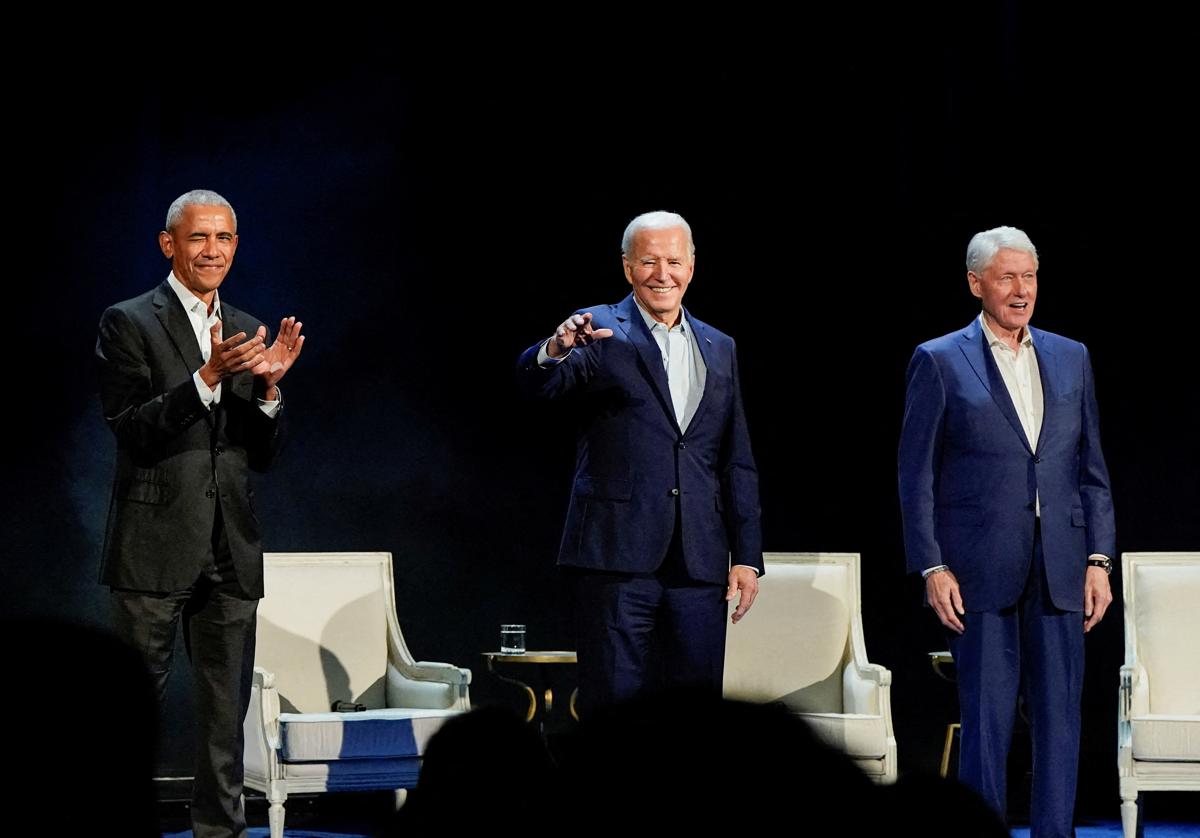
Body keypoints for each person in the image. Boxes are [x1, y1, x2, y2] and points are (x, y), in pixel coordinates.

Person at [96, 189, 304, 838]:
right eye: (198, 238)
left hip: (229, 550)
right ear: (169, 245)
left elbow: (260, 455)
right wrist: (206, 377)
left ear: (236, 246)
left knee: (224, 718)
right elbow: (133, 430)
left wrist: (269, 391)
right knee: (134, 714)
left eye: (223, 239)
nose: (211, 250)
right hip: (153, 545)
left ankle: (222, 831)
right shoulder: (127, 321)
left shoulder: (244, 324)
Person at [898, 225, 1115, 836]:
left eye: (1030, 277)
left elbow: (1091, 470)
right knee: (987, 722)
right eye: (1007, 277)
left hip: (1062, 567)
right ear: (976, 284)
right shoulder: (939, 359)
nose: (1022, 290)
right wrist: (932, 566)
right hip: (976, 569)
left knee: (1060, 722)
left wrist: (1098, 559)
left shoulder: (1071, 355)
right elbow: (915, 476)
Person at [517, 210, 762, 716]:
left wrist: (746, 555)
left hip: (699, 561)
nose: (662, 274)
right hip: (617, 556)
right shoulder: (597, 328)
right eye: (649, 261)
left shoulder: (721, 346)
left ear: (692, 266)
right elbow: (540, 384)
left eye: (674, 261)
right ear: (628, 267)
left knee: (696, 713)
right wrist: (555, 349)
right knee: (614, 708)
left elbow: (735, 459)